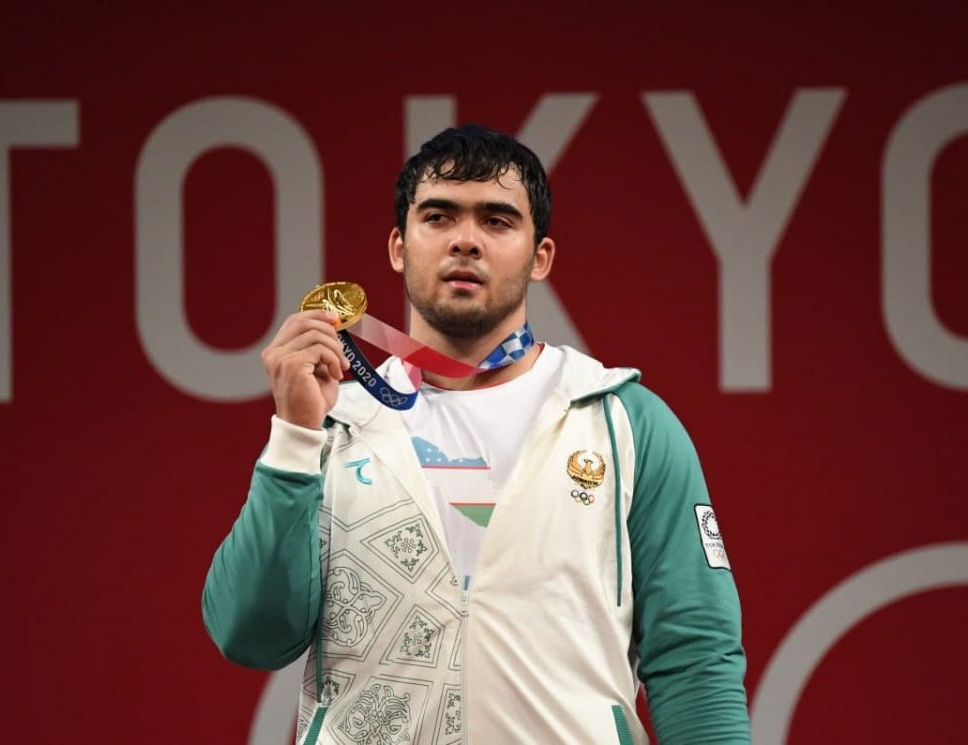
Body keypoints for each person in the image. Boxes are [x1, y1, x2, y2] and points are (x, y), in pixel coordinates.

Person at [202, 125, 749, 744]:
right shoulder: (332, 424)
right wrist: (294, 435)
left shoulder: (623, 422)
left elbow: (695, 658)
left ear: (540, 257)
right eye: (438, 217)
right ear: (399, 247)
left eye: (496, 220)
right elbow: (250, 636)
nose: (465, 240)